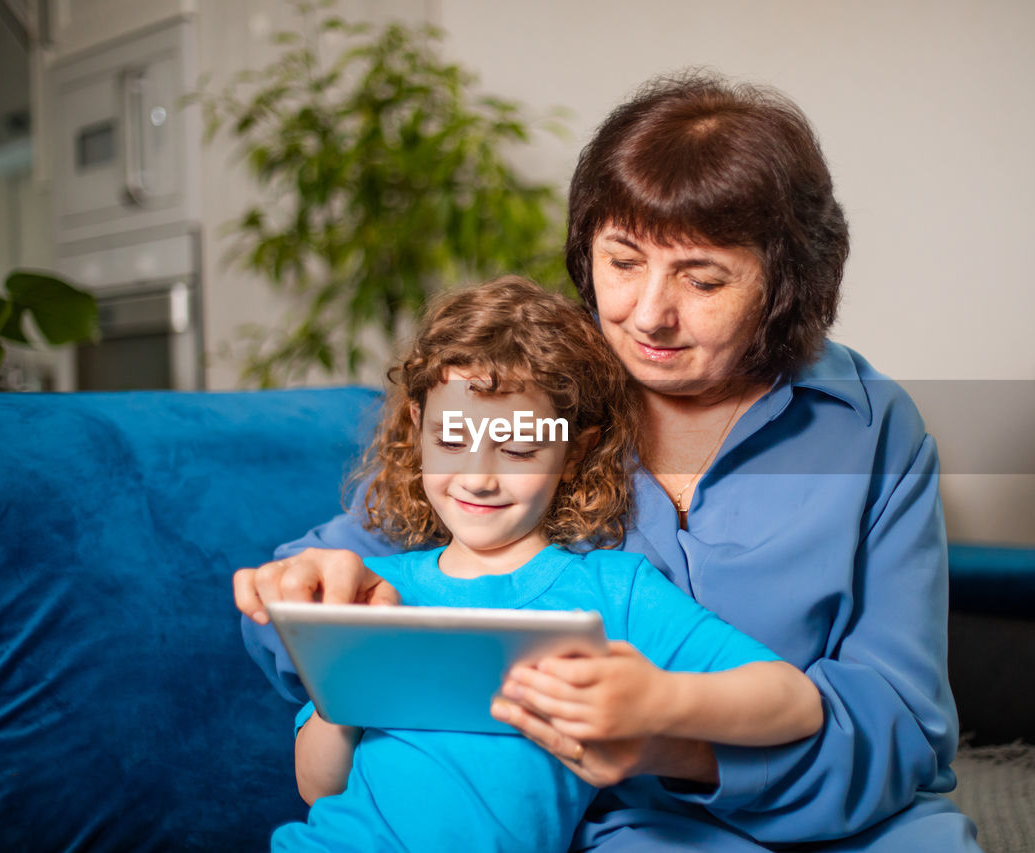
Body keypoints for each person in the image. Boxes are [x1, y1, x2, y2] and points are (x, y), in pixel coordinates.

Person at [236, 72, 982, 851]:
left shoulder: (870, 429)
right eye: (622, 262)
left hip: (837, 808)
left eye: (703, 279)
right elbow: (322, 605)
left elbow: (901, 719)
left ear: (786, 286)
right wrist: (306, 594)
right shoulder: (535, 393)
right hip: (624, 823)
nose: (649, 313)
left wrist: (669, 741)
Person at [269, 276, 826, 852]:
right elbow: (317, 787)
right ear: (417, 427)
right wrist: (346, 685)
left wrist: (660, 702)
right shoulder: (379, 592)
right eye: (453, 440)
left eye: (517, 449)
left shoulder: (613, 593)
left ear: (574, 450)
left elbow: (795, 702)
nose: (479, 477)